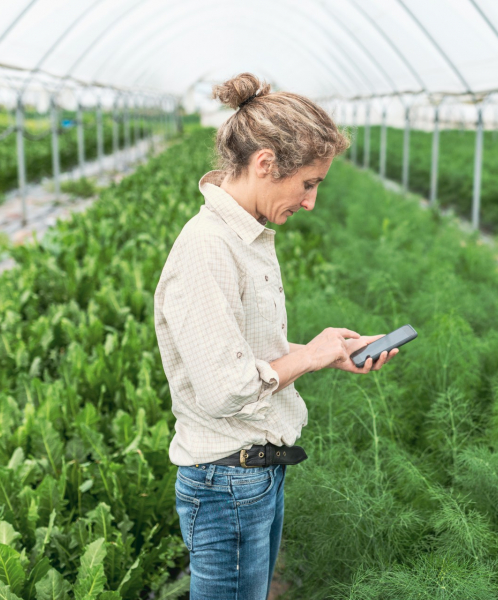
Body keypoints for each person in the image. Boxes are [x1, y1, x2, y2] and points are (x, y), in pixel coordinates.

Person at [153, 73, 400, 600]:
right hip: (226, 484)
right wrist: (307, 359)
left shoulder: (249, 234)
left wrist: (326, 352)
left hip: (254, 476)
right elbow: (224, 389)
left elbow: (245, 353)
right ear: (265, 164)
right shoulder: (208, 247)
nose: (310, 202)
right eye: (308, 183)